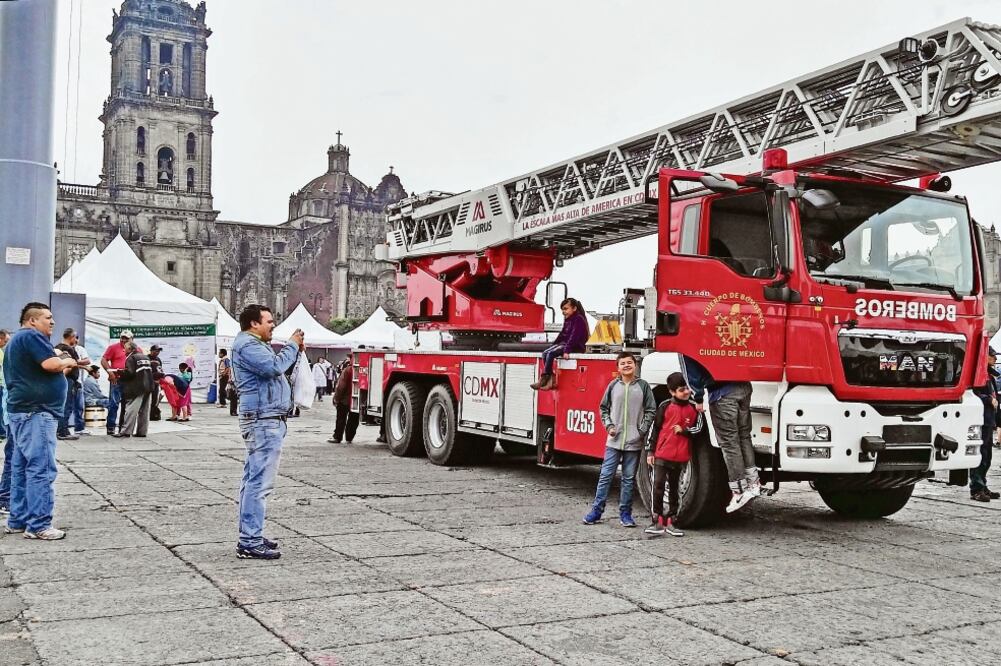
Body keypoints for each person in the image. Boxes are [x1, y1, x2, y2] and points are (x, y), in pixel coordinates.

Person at [3, 303, 81, 540]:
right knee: (41, 468)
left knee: (21, 467)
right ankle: (39, 524)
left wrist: (60, 365)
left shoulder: (17, 341)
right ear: (33, 320)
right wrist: (67, 360)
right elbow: (51, 364)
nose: (53, 321)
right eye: (48, 317)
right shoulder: (32, 336)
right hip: (36, 412)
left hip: (23, 411)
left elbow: (45, 371)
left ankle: (18, 520)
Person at [232, 304, 304, 560]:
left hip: (265, 418)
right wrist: (292, 345)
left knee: (253, 480)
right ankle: (249, 541)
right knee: (259, 483)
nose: (273, 325)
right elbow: (273, 368)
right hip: (263, 420)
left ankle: (250, 534)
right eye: (269, 321)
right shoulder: (248, 345)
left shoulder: (252, 344)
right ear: (254, 323)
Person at [583, 351, 656, 527]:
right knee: (605, 476)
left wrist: (642, 430)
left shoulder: (643, 386)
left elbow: (651, 409)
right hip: (613, 442)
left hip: (634, 442)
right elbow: (603, 408)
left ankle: (625, 514)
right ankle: (596, 511)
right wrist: (609, 426)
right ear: (618, 367)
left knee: (628, 479)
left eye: (629, 362)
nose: (626, 366)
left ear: (635, 365)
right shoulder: (613, 386)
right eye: (622, 363)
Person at [682, 356, 761, 513]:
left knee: (729, 443)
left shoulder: (690, 341)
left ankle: (739, 491)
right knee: (744, 436)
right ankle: (754, 483)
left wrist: (697, 398)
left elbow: (691, 372)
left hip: (721, 393)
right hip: (744, 386)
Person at [644, 372, 703, 536]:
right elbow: (654, 430)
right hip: (662, 454)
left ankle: (672, 521)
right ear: (672, 392)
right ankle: (656, 520)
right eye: (681, 389)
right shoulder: (664, 406)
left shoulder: (693, 408)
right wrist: (651, 451)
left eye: (687, 389)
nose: (686, 392)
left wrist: (684, 431)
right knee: (658, 486)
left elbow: (698, 428)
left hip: (681, 456)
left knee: (675, 489)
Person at [531, 297, 589, 391]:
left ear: (574, 308)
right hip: (567, 344)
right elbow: (563, 334)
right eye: (562, 309)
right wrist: (553, 345)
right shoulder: (568, 319)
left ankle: (547, 378)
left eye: (566, 309)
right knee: (545, 353)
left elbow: (574, 337)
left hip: (576, 346)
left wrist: (566, 350)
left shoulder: (578, 319)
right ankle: (548, 378)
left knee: (550, 354)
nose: (563, 312)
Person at [971, 347, 1000, 502]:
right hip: (981, 419)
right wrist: (988, 400)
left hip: (990, 419)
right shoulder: (979, 375)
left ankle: (983, 485)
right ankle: (976, 488)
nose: (995, 359)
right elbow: (973, 394)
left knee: (987, 456)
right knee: (980, 455)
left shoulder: (990, 375)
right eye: (992, 356)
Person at [116, 341, 154, 438]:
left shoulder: (131, 358)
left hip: (137, 388)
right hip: (148, 386)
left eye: (125, 348)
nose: (124, 350)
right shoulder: (145, 357)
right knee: (144, 411)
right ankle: (142, 432)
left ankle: (126, 432)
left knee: (131, 410)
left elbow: (130, 373)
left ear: (130, 349)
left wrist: (120, 372)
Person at [101, 330, 135, 435]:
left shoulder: (136, 349)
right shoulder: (113, 347)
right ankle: (111, 427)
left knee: (127, 405)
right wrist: (110, 372)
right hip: (116, 379)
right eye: (122, 337)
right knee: (113, 404)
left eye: (126, 338)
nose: (124, 340)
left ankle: (123, 428)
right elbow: (104, 360)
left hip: (129, 381)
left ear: (131, 339)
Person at [54, 328, 85, 441]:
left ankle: (63, 429)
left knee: (63, 405)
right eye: (75, 337)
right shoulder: (69, 349)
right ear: (71, 337)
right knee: (67, 406)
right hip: (68, 380)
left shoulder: (58, 348)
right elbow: (73, 364)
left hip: (61, 380)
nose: (76, 340)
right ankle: (62, 431)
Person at [328, 357, 359, 444]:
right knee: (353, 419)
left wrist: (336, 398)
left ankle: (337, 437)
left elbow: (341, 386)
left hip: (344, 399)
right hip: (357, 400)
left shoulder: (348, 370)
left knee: (341, 419)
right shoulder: (364, 369)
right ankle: (349, 437)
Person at [148, 345, 165, 421]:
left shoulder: (158, 360)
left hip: (157, 383)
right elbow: (145, 372)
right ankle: (145, 415)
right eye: (155, 350)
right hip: (148, 383)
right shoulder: (146, 358)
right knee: (147, 399)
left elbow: (160, 370)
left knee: (155, 399)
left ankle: (152, 415)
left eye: (158, 351)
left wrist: (161, 381)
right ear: (151, 350)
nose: (157, 352)